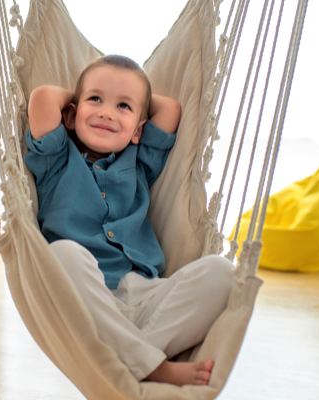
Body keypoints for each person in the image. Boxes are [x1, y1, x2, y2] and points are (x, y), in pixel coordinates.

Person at [24, 55, 235, 386]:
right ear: (70, 115)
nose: (107, 112)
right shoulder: (56, 161)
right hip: (84, 295)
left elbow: (170, 111)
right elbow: (42, 99)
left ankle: (127, 358)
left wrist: (110, 97)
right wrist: (81, 99)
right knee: (62, 254)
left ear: (139, 130)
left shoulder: (139, 163)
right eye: (96, 100)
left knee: (223, 274)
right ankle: (151, 366)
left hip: (145, 295)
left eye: (123, 106)